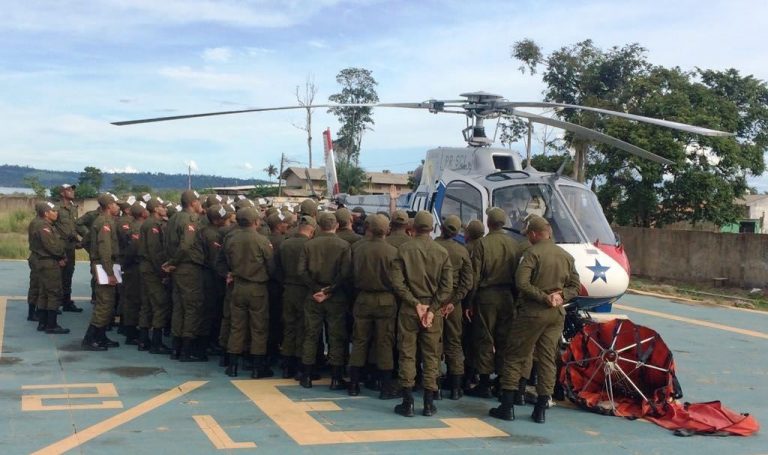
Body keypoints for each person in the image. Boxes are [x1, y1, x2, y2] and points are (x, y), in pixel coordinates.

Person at [490, 215, 580, 423]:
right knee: (548, 358)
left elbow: (521, 282)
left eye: (528, 234)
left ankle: (507, 406)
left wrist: (543, 297)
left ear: (534, 234)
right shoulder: (565, 256)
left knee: (515, 355)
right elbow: (575, 286)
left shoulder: (531, 254)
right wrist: (560, 297)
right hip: (556, 315)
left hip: (532, 312)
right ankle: (540, 409)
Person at [390, 211, 453, 417]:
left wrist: (415, 303)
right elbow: (447, 287)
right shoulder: (442, 252)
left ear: (413, 228)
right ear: (433, 228)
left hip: (410, 309)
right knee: (432, 355)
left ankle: (407, 402)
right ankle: (428, 403)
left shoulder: (404, 249)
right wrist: (432, 308)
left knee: (407, 353)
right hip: (432, 313)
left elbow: (397, 282)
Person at [467, 207, 519, 398]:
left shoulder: (482, 244)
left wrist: (470, 301)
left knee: (485, 338)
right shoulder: (515, 244)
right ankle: (502, 381)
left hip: (487, 296)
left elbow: (475, 275)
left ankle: (484, 382)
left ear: (488, 223)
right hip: (508, 296)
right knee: (504, 340)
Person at [297, 212, 352, 390]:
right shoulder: (344, 246)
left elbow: (301, 271)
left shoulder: (309, 245)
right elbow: (345, 273)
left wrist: (316, 289)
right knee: (336, 336)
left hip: (313, 295)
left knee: (311, 335)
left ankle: (306, 376)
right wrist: (329, 290)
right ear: (336, 225)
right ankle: (336, 378)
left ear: (319, 226)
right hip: (335, 296)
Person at [348, 214, 399, 397]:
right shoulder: (393, 252)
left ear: (368, 228)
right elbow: (396, 281)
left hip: (362, 299)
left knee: (360, 340)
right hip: (386, 300)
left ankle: (354, 383)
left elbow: (350, 275)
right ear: (387, 230)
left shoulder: (357, 249)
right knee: (384, 342)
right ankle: (386, 386)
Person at [224, 207, 275, 378]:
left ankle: (232, 366)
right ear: (255, 221)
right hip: (257, 288)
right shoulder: (262, 240)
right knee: (258, 327)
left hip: (238, 286)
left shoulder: (231, 239)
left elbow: (226, 261)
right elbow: (271, 266)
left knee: (237, 326)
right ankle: (257, 368)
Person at [163, 190, 207, 362]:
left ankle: (176, 348)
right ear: (193, 202)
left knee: (179, 308)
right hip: (187, 268)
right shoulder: (190, 219)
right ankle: (186, 350)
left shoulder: (174, 218)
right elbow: (186, 245)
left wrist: (171, 262)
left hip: (178, 268)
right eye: (197, 201)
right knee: (192, 308)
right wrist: (174, 261)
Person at [434, 215, 474, 400]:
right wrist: (453, 302)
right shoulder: (462, 251)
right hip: (454, 304)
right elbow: (467, 282)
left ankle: (433, 386)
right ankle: (456, 388)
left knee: (433, 343)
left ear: (441, 228)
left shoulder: (433, 246)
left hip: (433, 301)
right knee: (454, 343)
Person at [275, 215, 316, 379]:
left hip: (288, 289)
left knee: (289, 327)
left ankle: (286, 365)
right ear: (312, 231)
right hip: (304, 290)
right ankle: (300, 366)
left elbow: (276, 269)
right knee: (303, 328)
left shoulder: (285, 244)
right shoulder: (310, 246)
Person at [81, 193, 121, 351]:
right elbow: (104, 250)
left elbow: (86, 240)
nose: (117, 206)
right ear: (109, 206)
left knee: (108, 303)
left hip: (105, 264)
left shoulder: (105, 221)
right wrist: (109, 272)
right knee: (104, 304)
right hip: (104, 265)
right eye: (115, 204)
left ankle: (101, 336)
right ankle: (89, 339)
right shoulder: (104, 222)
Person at [29, 201, 70, 334]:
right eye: (53, 211)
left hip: (43, 261)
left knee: (44, 293)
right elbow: (52, 246)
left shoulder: (43, 224)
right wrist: (61, 256)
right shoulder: (44, 227)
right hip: (48, 262)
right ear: (46, 213)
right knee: (53, 293)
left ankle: (43, 322)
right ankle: (51, 324)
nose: (56, 213)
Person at [137, 198, 171, 354]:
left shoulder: (151, 224)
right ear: (156, 209)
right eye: (162, 206)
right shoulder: (152, 225)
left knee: (147, 304)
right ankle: (156, 342)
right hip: (152, 269)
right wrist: (162, 272)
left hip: (146, 268)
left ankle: (144, 340)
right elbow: (154, 251)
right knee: (160, 304)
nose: (165, 209)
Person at [54, 184, 83, 312]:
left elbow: (74, 227)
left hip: (70, 246)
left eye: (73, 189)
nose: (72, 191)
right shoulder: (56, 208)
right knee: (57, 276)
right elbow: (51, 227)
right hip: (60, 247)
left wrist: (78, 239)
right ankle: (53, 304)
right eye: (69, 190)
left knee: (68, 274)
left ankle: (66, 301)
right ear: (62, 193)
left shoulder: (73, 208)